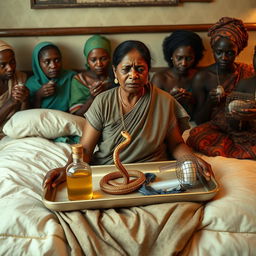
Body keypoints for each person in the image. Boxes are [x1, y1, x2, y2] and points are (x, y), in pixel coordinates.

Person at [44, 40, 213, 189]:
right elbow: (86, 149)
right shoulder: (103, 102)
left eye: (140, 69)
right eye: (126, 69)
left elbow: (176, 144)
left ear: (148, 72)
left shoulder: (163, 101)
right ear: (115, 72)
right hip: (109, 174)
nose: (133, 75)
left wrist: (190, 160)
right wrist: (66, 169)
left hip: (154, 175)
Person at [186, 17, 255, 158]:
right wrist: (211, 101)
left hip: (246, 125)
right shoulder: (203, 77)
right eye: (219, 52)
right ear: (213, 50)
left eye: (230, 53)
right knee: (196, 135)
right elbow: (198, 120)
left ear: (238, 51)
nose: (223, 57)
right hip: (218, 127)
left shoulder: (247, 71)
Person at [151, 30, 204, 117]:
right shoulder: (160, 78)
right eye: (179, 58)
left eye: (189, 58)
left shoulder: (199, 76)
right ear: (171, 56)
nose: (184, 63)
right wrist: (170, 101)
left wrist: (191, 101)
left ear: (196, 57)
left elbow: (201, 113)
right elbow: (153, 111)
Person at [69, 35, 114, 116]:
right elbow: (77, 114)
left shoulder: (115, 77)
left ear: (110, 58)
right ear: (87, 61)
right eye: (93, 60)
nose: (99, 64)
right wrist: (92, 98)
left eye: (103, 58)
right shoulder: (79, 80)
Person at [26, 42, 76, 112]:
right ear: (38, 64)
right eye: (47, 62)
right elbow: (30, 114)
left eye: (57, 60)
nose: (53, 66)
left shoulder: (71, 77)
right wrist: (38, 96)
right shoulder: (31, 84)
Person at [0, 40, 29, 138]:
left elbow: (24, 118)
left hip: (15, 132)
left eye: (12, 62)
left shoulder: (20, 78)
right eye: (3, 65)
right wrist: (11, 102)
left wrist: (25, 100)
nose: (10, 68)